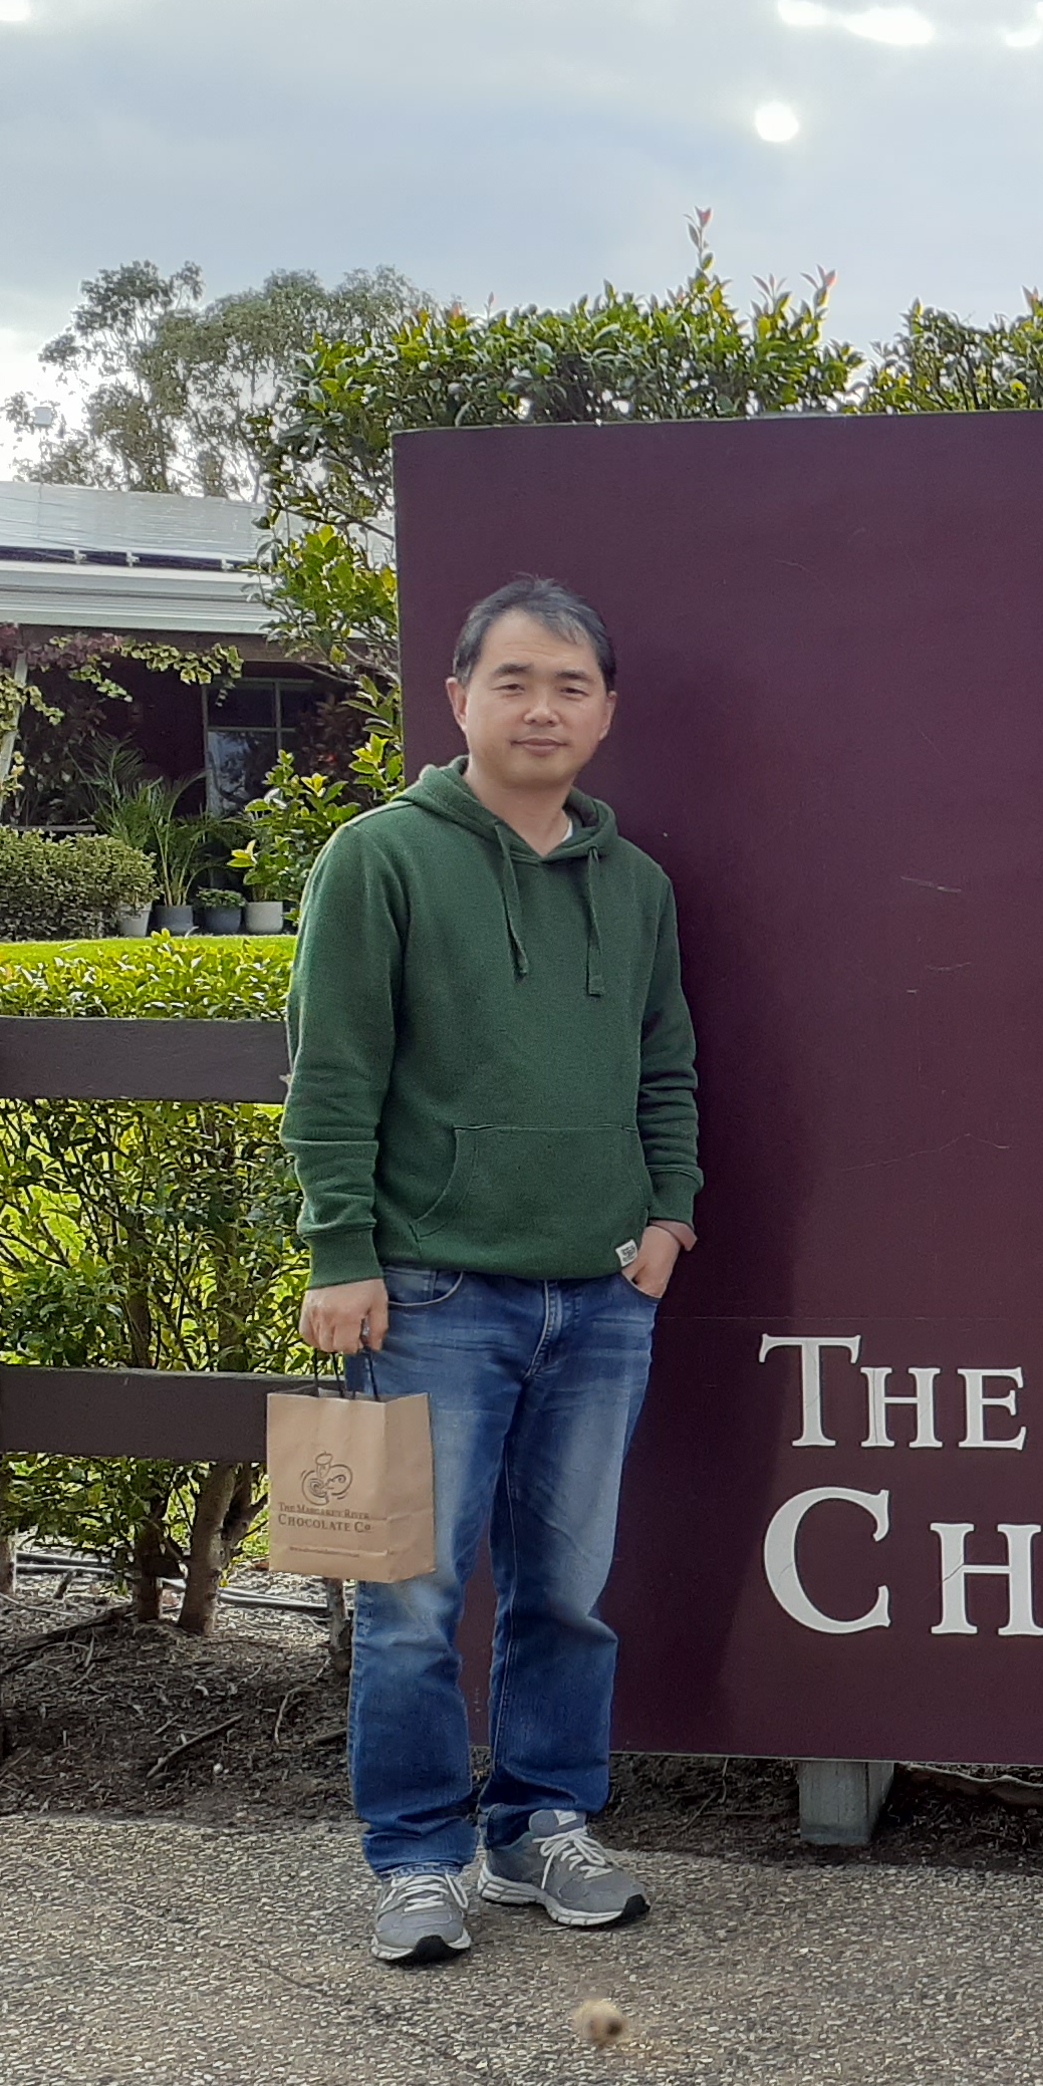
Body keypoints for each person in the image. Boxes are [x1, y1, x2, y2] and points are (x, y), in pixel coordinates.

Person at [286, 575, 701, 1969]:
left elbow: (664, 1065)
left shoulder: (636, 887)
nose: (542, 708)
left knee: (566, 1595)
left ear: (606, 711)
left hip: (601, 1297)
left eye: (570, 685)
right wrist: (340, 1250)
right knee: (405, 1599)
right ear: (458, 697)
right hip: (424, 1296)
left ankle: (540, 1828)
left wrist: (667, 1217)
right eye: (513, 681)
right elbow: (330, 1075)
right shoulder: (378, 860)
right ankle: (414, 1859)